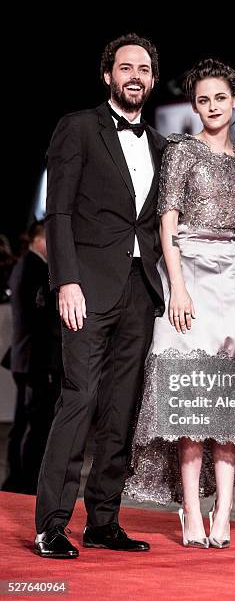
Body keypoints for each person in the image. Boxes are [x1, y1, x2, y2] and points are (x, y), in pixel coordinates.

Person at [125, 59, 235, 548]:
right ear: (195, 106)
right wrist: (179, 287)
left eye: (220, 98)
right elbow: (165, 224)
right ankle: (190, 510)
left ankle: (224, 514)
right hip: (188, 273)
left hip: (234, 278)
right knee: (190, 405)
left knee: (227, 408)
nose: (211, 106)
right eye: (202, 99)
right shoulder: (182, 152)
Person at [34, 33, 167, 559]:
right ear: (107, 75)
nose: (135, 75)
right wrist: (65, 279)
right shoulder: (78, 127)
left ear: (153, 80)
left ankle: (103, 520)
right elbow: (59, 209)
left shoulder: (161, 145)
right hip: (86, 288)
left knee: (122, 408)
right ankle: (51, 523)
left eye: (144, 69)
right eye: (125, 66)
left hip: (141, 289)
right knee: (79, 398)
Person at [2, 221, 60, 494]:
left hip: (26, 357)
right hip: (34, 357)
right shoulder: (34, 267)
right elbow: (39, 318)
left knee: (24, 422)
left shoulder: (26, 266)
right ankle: (25, 480)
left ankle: (17, 478)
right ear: (40, 239)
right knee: (34, 424)